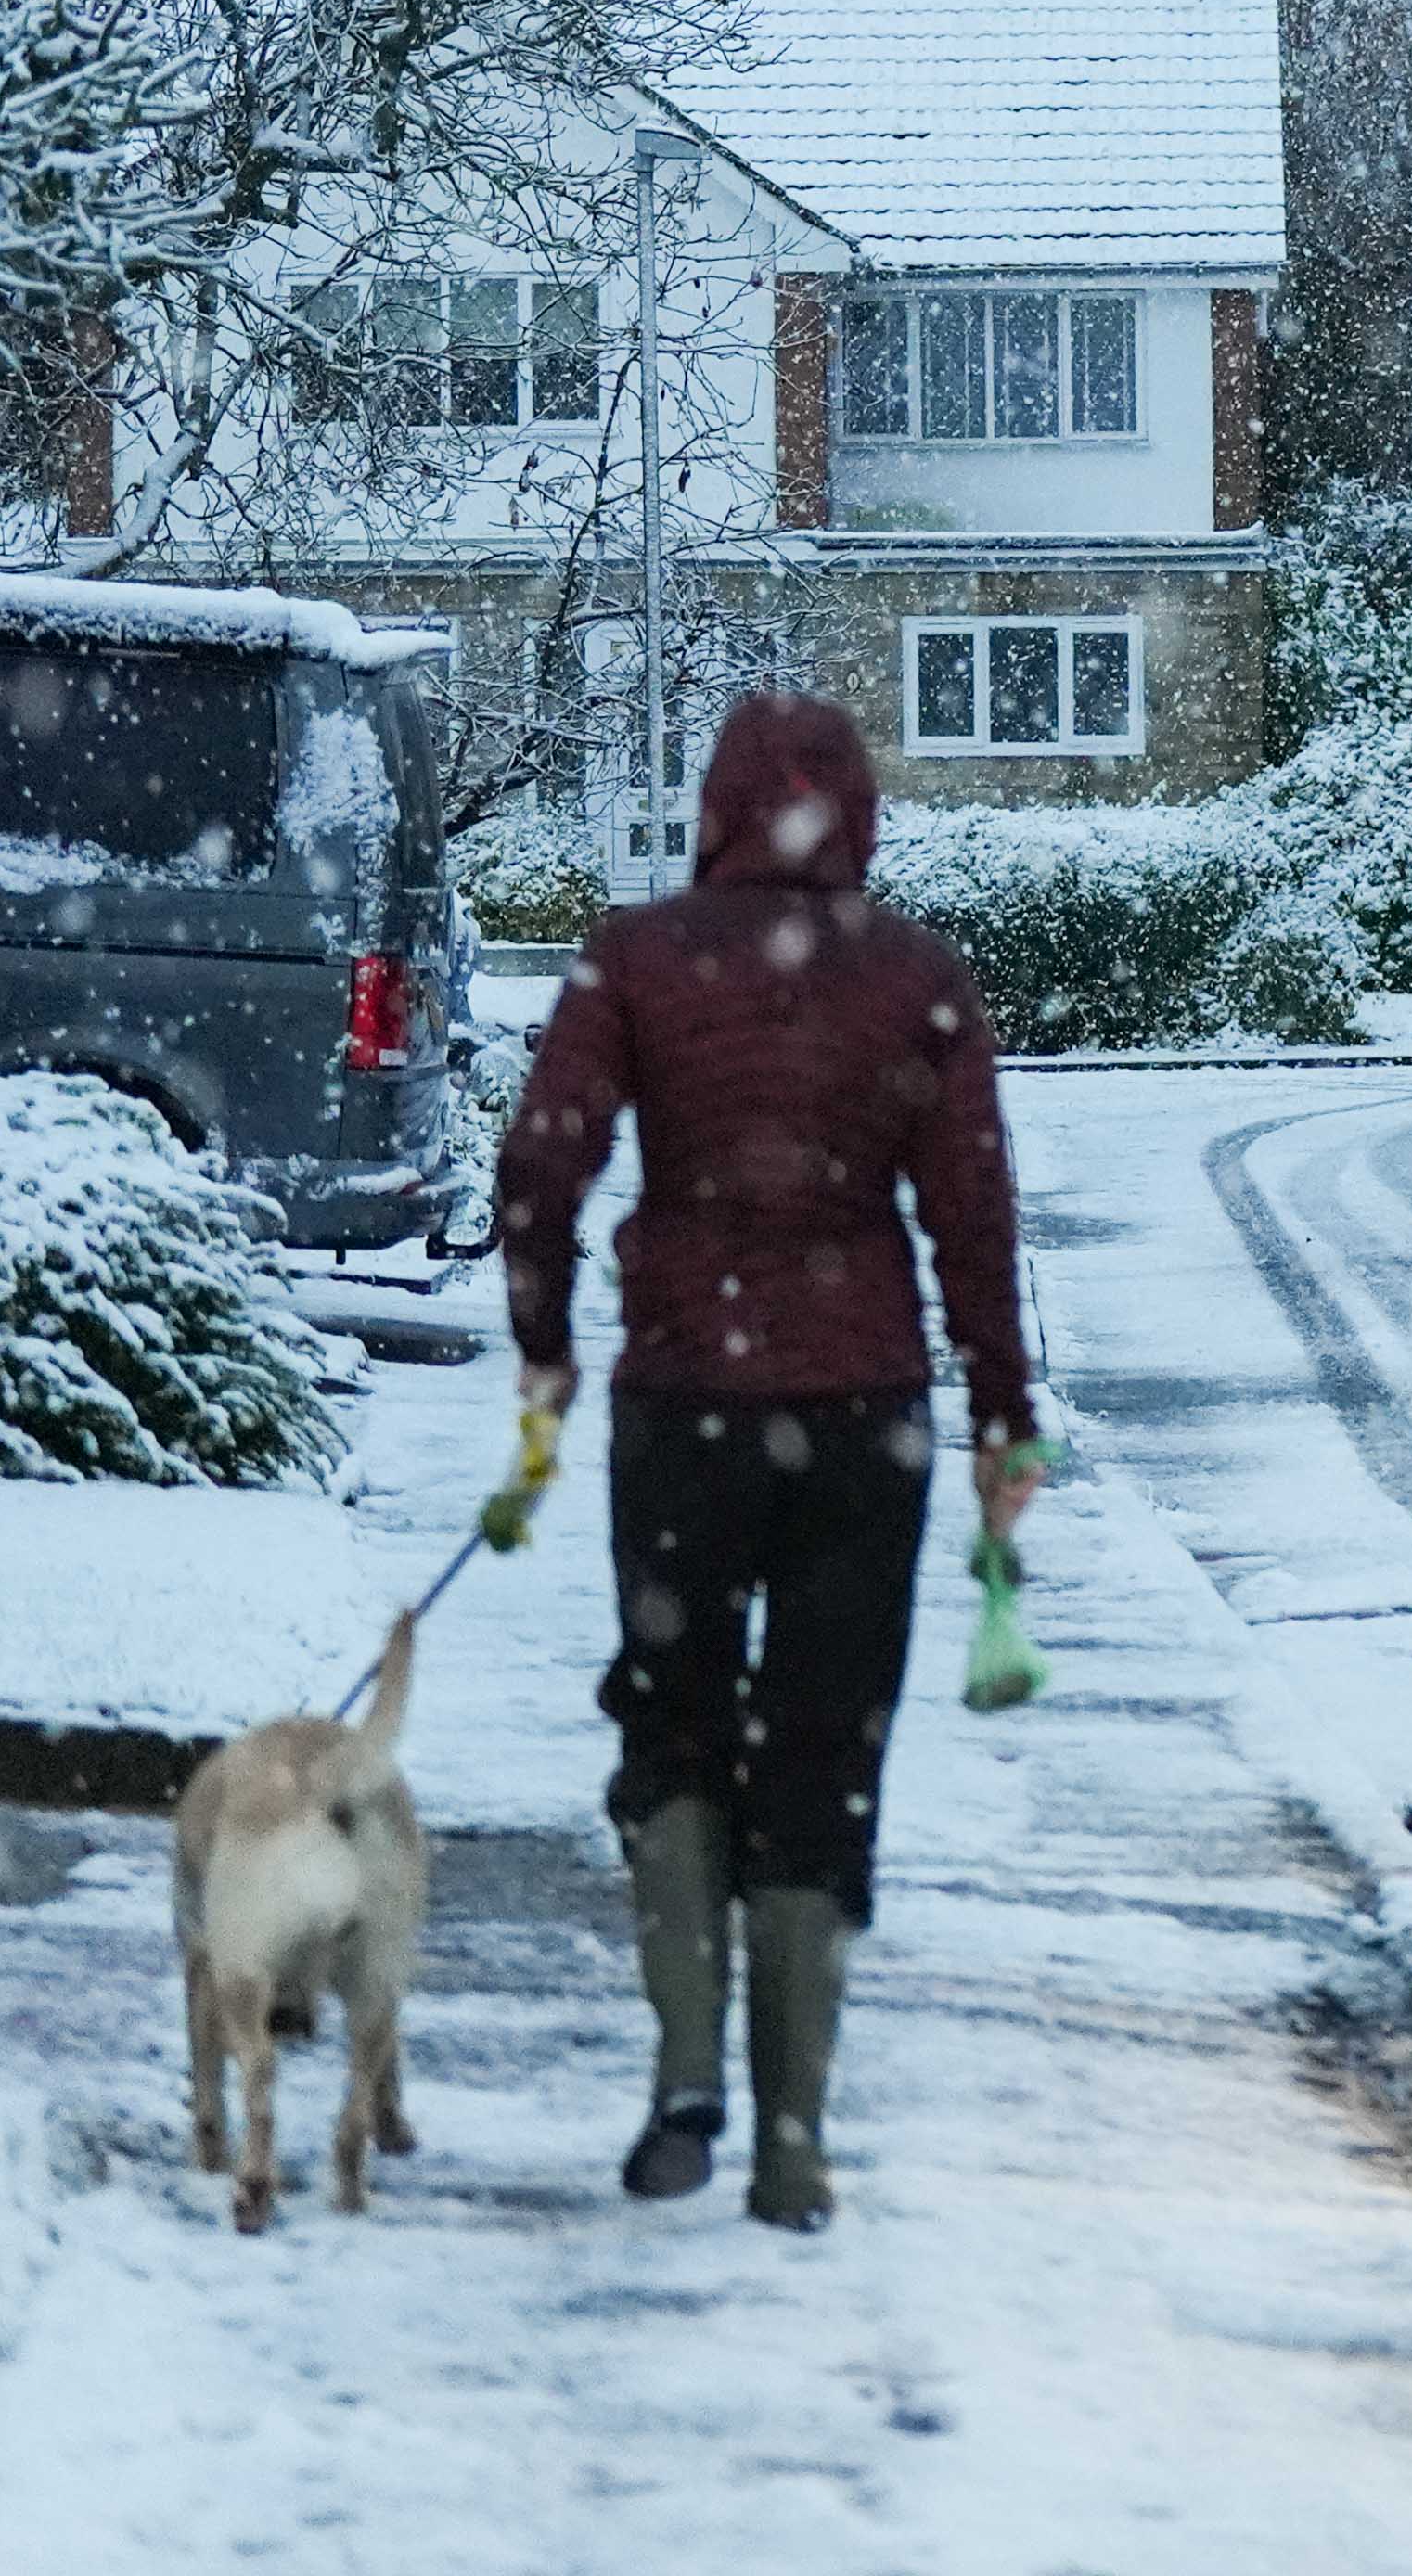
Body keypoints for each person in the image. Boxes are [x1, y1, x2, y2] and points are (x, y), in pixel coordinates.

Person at [496, 689, 1041, 2231]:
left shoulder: (638, 954)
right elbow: (975, 1219)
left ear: (716, 809)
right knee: (821, 1748)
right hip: (865, 1415)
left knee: (674, 1721)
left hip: (683, 1409)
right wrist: (1004, 1417)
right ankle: (793, 2134)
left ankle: (686, 2072)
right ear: (856, 814)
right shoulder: (919, 978)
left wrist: (543, 1338)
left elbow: (543, 1157)